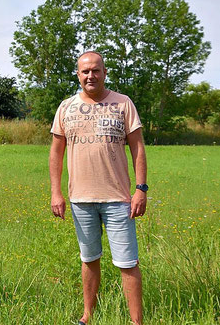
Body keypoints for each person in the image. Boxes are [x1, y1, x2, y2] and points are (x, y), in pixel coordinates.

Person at [49, 51, 148, 325]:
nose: (90, 75)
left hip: (118, 200)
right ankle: (88, 316)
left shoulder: (123, 104)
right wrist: (56, 193)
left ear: (104, 72)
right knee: (89, 258)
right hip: (80, 199)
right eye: (85, 71)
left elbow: (138, 148)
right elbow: (56, 153)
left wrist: (140, 189)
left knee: (127, 263)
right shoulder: (66, 107)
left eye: (95, 70)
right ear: (78, 75)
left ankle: (136, 322)